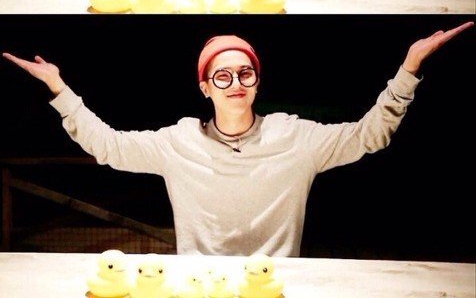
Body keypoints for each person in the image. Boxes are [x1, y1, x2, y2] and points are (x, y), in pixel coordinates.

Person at [3, 25, 472, 256]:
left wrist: (409, 68)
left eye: (244, 72)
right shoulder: (178, 142)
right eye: (221, 76)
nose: (235, 83)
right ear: (205, 87)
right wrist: (58, 88)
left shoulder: (294, 136)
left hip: (275, 288)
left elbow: (370, 136)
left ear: (257, 81)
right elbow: (108, 146)